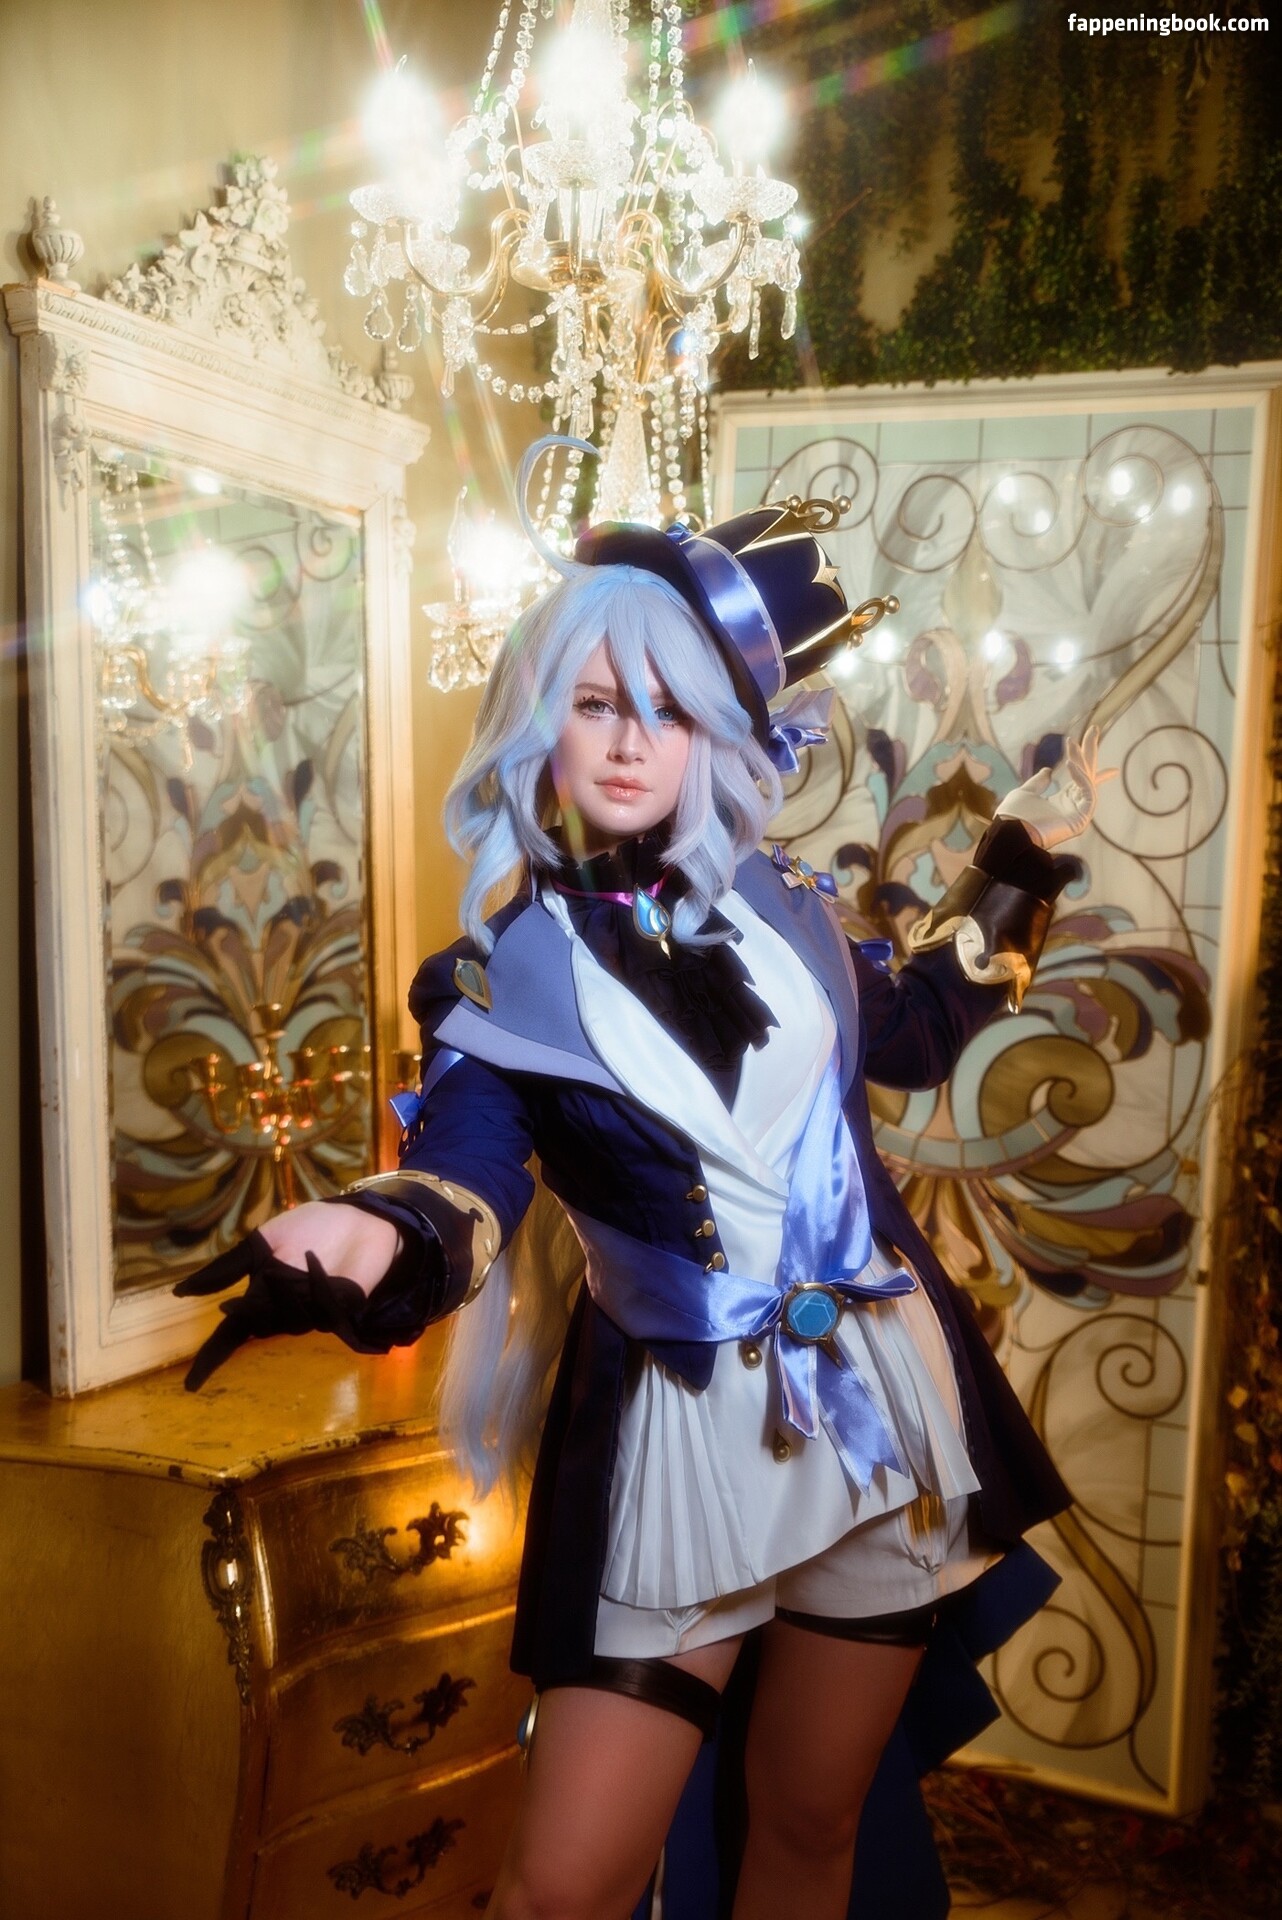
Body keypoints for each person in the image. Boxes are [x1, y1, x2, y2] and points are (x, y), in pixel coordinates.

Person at [178, 459, 1105, 1920]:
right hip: (682, 1430)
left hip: (878, 1402)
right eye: (596, 701)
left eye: (668, 709)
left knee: (814, 1825)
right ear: (539, 715)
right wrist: (372, 1231)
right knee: (565, 1886)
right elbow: (467, 1171)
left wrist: (1021, 865)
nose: (626, 742)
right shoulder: (498, 977)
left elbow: (919, 1027)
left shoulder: (791, 910)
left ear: (718, 730)